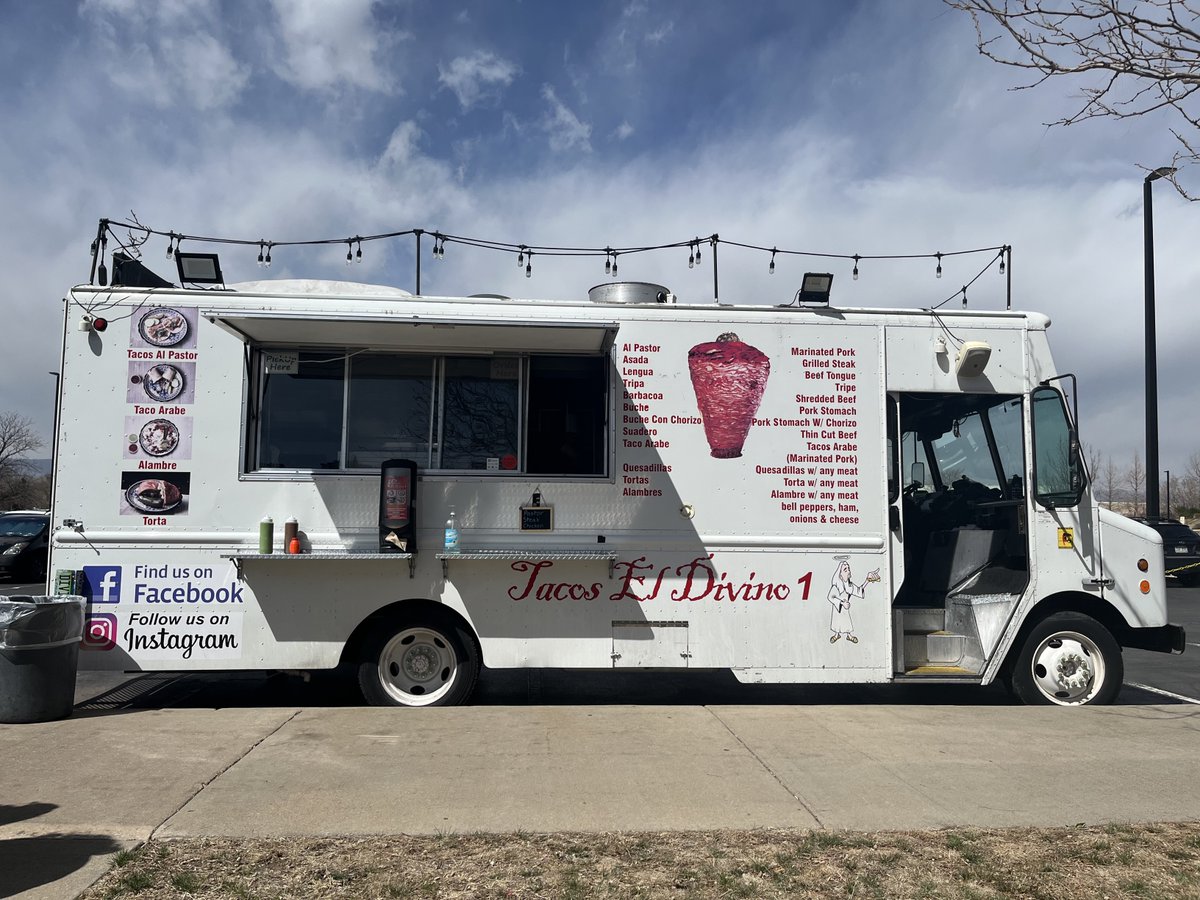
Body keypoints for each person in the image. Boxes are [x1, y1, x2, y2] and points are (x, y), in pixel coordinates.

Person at [827, 558, 880, 644]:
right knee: (837, 621)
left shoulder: (850, 586)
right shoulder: (836, 586)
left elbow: (859, 591)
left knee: (846, 621)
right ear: (840, 574)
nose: (848, 571)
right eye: (845, 569)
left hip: (845, 609)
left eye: (848, 569)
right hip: (838, 608)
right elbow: (830, 597)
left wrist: (868, 579)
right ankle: (837, 635)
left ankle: (849, 635)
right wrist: (841, 603)